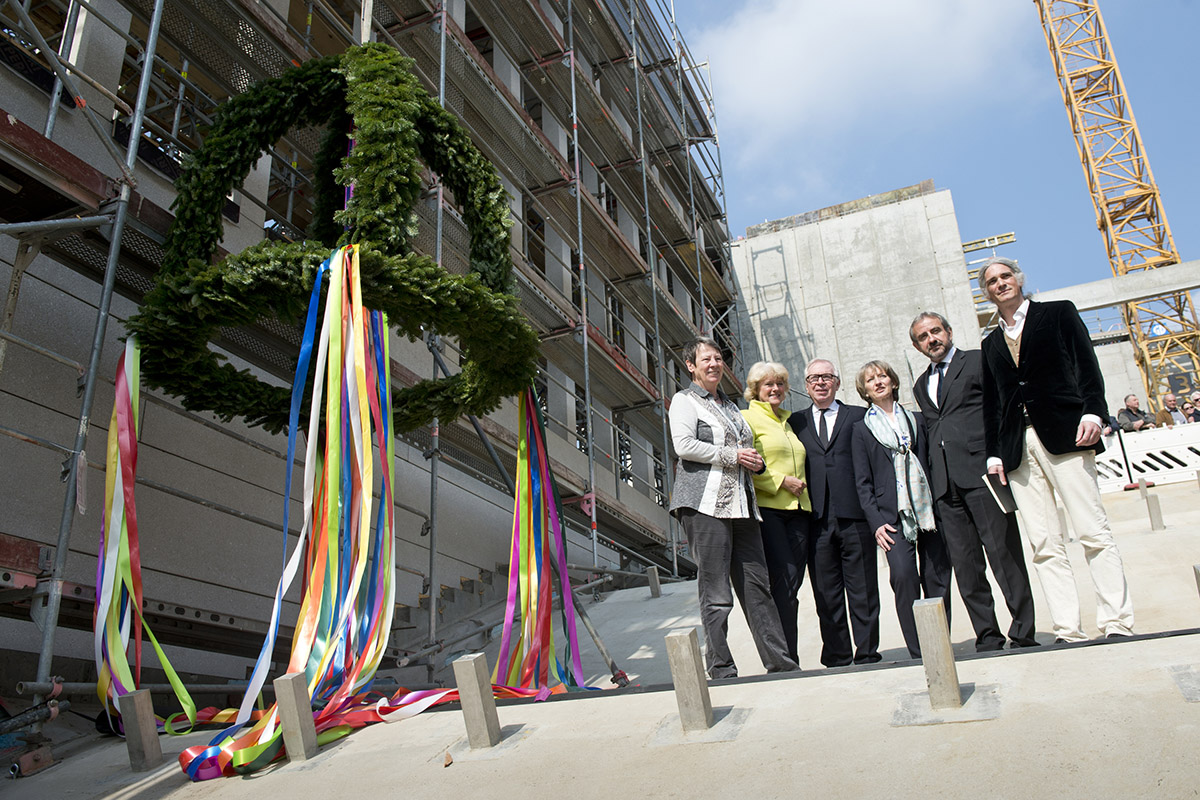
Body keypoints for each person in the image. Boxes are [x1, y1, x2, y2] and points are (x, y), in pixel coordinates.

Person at [979, 256, 1134, 642]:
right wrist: (995, 451)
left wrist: (1095, 412)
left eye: (1005, 276)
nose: (1001, 283)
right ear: (986, 293)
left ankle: (1116, 622)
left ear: (1018, 278)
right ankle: (1068, 629)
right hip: (1019, 449)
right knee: (1044, 543)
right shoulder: (991, 342)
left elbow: (1086, 363)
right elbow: (994, 402)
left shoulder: (1058, 314)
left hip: (1066, 435)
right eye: (992, 281)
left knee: (1092, 531)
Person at [667, 336, 799, 678]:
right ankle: (721, 666)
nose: (714, 364)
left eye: (718, 358)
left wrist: (753, 462)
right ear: (691, 366)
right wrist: (733, 455)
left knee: (758, 586)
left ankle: (780, 663)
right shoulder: (684, 401)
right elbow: (683, 445)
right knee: (716, 590)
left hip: (742, 506)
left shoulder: (731, 408)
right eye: (706, 359)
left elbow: (745, 450)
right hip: (704, 505)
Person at [910, 311, 1038, 651]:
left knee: (1004, 556)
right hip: (945, 487)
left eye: (935, 331)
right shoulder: (921, 385)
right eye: (923, 337)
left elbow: (1001, 409)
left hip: (982, 475)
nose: (931, 339)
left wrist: (999, 455)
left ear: (949, 332)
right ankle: (988, 634)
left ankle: (1023, 631)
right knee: (966, 567)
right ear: (917, 345)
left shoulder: (978, 361)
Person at [850, 360, 952, 659]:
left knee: (938, 576)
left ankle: (940, 640)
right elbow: (862, 481)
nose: (878, 382)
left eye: (883, 376)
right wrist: (876, 522)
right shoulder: (862, 429)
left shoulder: (917, 419)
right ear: (865, 390)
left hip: (927, 511)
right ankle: (920, 649)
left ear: (893, 382)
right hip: (891, 517)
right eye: (871, 380)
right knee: (904, 576)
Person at [788, 358, 881, 667]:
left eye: (827, 377)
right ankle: (838, 655)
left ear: (837, 383)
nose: (820, 382)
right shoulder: (795, 422)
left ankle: (867, 652)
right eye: (814, 378)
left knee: (864, 591)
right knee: (826, 594)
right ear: (806, 385)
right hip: (815, 521)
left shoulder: (860, 416)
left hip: (855, 516)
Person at [741, 361, 812, 666]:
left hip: (799, 512)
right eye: (768, 384)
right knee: (782, 583)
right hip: (770, 510)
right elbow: (745, 465)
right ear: (755, 390)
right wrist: (782, 481)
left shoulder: (789, 422)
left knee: (792, 586)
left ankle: (787, 657)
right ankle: (784, 659)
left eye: (780, 383)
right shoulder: (747, 419)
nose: (775, 389)